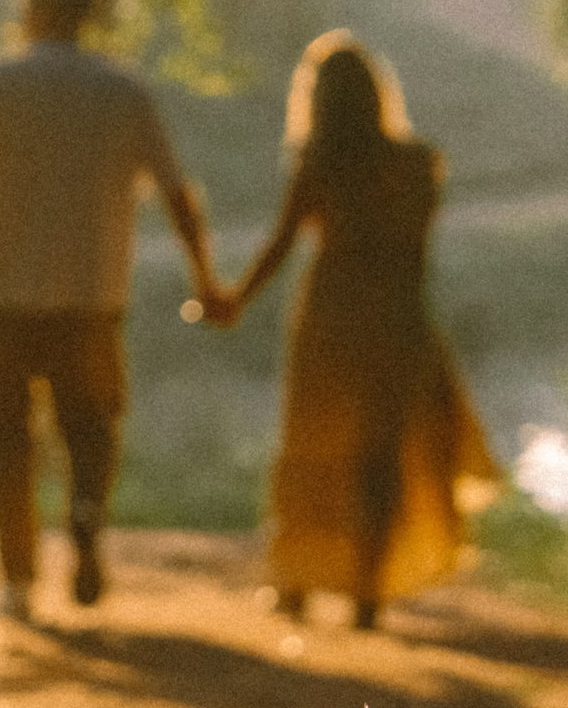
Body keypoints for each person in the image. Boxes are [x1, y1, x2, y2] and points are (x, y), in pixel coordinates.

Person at [0, 0, 221, 621]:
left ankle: (18, 580)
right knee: (91, 424)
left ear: (33, 7)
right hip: (92, 296)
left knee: (8, 436)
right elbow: (176, 193)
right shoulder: (123, 92)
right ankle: (85, 509)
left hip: (4, 294)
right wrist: (205, 277)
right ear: (87, 12)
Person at [205, 31, 502, 629]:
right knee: (379, 456)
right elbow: (418, 249)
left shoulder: (318, 165)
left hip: (330, 324)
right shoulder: (420, 164)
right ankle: (368, 591)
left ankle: (298, 585)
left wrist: (233, 298)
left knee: (313, 451)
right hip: (396, 320)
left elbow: (281, 245)